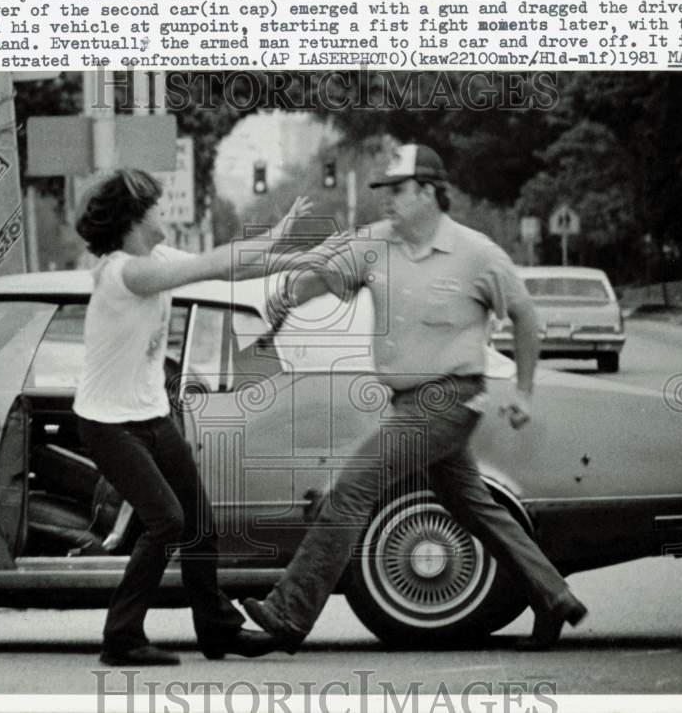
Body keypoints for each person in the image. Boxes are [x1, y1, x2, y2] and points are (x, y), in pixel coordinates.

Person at [244, 144, 587, 652]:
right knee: (472, 506)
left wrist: (525, 392)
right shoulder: (377, 243)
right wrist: (291, 295)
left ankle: (286, 616)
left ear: (429, 192)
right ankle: (554, 596)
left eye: (399, 190)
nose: (388, 201)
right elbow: (323, 278)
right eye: (384, 191)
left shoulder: (477, 253)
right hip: (407, 403)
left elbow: (526, 317)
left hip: (451, 399)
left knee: (353, 487)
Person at [73, 168, 330, 666]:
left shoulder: (157, 257)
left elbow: (232, 269)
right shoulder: (126, 272)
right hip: (107, 422)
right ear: (133, 220)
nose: (164, 212)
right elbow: (213, 265)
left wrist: (298, 254)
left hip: (149, 413)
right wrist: (278, 241)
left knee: (199, 524)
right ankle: (121, 638)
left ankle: (217, 631)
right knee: (166, 520)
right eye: (156, 206)